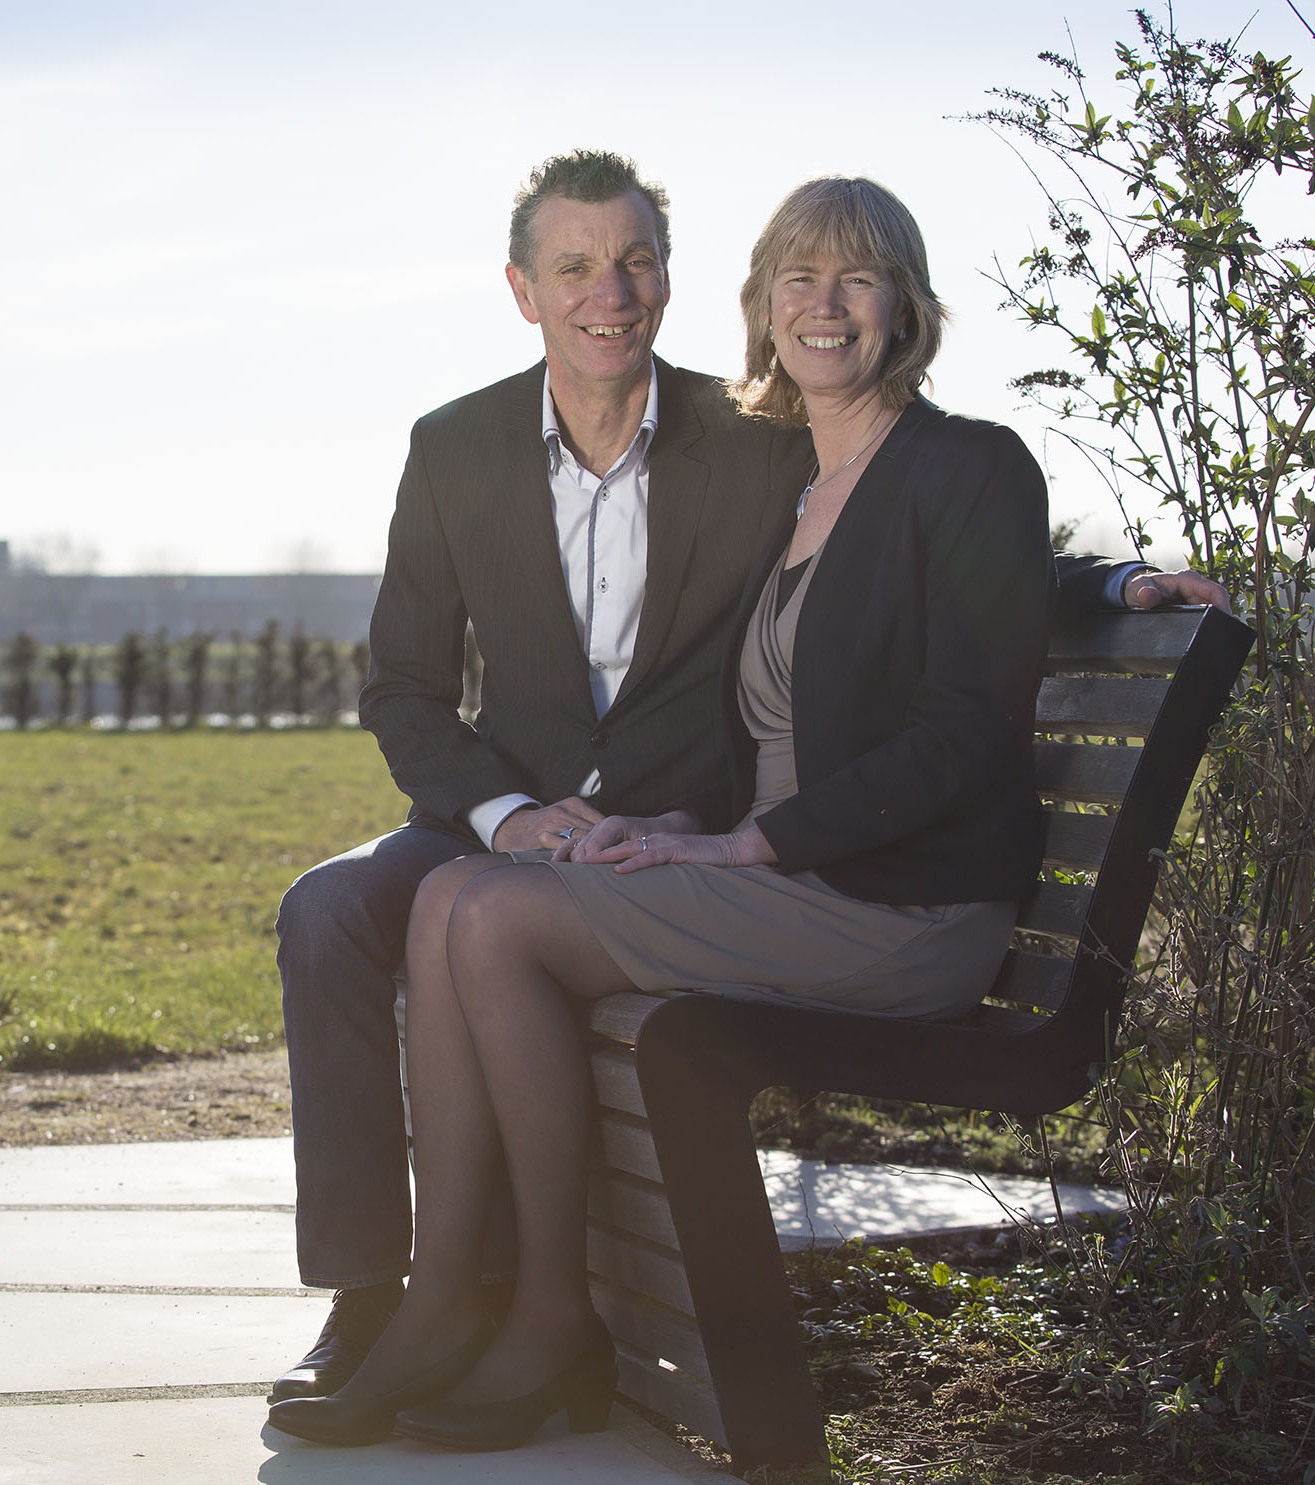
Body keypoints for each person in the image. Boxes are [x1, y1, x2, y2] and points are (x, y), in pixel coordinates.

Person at [267, 152, 1227, 1413]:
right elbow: (402, 687)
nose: (608, 292)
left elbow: (948, 577)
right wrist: (507, 812)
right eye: (573, 268)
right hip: (565, 818)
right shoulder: (495, 451)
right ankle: (401, 1296)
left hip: (782, 856)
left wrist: (1108, 584)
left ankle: (519, 1308)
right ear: (524, 290)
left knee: (479, 913)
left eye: (635, 261)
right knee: (374, 901)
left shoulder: (760, 440)